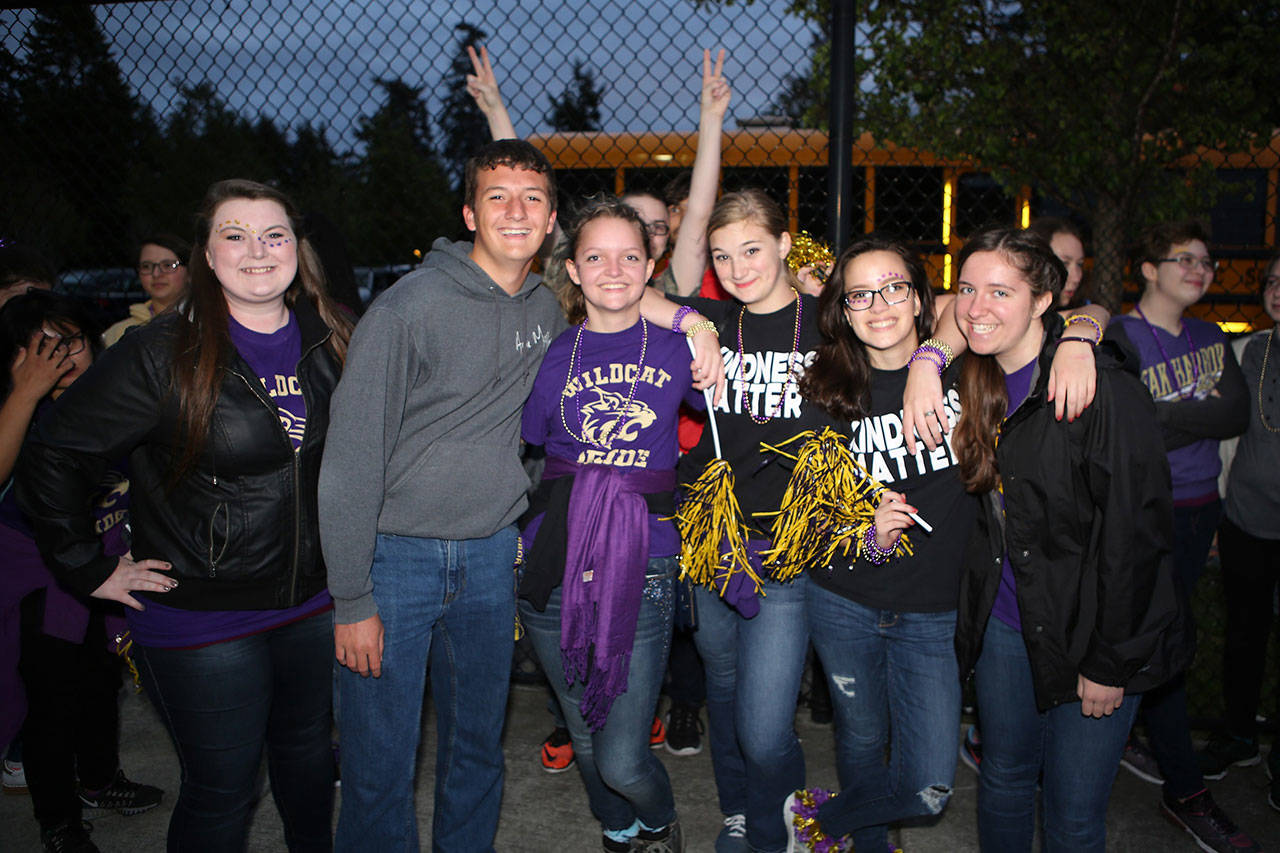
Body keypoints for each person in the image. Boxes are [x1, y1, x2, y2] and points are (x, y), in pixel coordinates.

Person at [318, 139, 723, 853]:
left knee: (476, 750)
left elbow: (621, 288)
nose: (515, 211)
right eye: (497, 197)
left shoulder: (545, 309)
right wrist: (351, 595)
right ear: (468, 213)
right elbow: (350, 458)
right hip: (398, 557)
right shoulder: (408, 308)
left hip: (491, 557)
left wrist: (695, 322)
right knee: (380, 763)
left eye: (532, 198)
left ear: (550, 221)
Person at [17, 178, 353, 852]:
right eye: (235, 235)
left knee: (310, 761)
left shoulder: (335, 337)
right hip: (203, 619)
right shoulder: (160, 351)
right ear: (206, 253)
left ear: (297, 248)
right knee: (224, 790)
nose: (257, 250)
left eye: (274, 235)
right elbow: (54, 453)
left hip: (315, 605)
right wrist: (86, 566)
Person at [951, 225, 1190, 851]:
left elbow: (1139, 538)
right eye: (967, 288)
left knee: (1073, 815)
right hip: (1006, 627)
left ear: (1041, 300)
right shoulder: (972, 382)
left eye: (1000, 292)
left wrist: (1111, 663)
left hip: (1094, 639)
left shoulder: (1100, 388)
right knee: (1003, 779)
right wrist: (926, 363)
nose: (977, 307)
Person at [518, 197, 703, 852]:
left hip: (643, 555)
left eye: (630, 256)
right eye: (595, 256)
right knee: (587, 739)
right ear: (573, 269)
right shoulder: (552, 354)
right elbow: (528, 443)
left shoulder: (681, 347)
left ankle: (658, 820)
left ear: (651, 266)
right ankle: (620, 830)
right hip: (556, 556)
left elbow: (737, 413)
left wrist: (696, 322)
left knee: (623, 758)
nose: (613, 269)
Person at [780, 237, 975, 851]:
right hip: (845, 601)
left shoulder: (964, 370)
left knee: (928, 787)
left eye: (894, 288)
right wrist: (868, 537)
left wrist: (929, 361)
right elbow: (808, 519)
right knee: (862, 741)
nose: (879, 305)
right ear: (842, 310)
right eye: (860, 295)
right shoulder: (823, 388)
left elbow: (1026, 307)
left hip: (933, 612)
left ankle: (821, 821)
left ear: (919, 298)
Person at [667, 188, 838, 853]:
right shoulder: (716, 317)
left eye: (752, 250)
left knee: (766, 729)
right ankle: (741, 811)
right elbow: (640, 297)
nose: (737, 269)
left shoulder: (831, 321)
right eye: (722, 255)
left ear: (785, 244)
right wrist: (694, 325)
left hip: (785, 553)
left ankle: (781, 824)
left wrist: (1084, 328)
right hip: (712, 540)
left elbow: (939, 313)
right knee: (725, 688)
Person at [1106, 220, 1260, 853]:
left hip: (1201, 510)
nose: (1200, 270)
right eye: (1184, 259)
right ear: (1149, 269)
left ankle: (1131, 735)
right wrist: (1193, 413)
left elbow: (1235, 413)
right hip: (1147, 512)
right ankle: (1186, 789)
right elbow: (1129, 424)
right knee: (1163, 642)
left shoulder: (1209, 336)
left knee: (1169, 634)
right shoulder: (1120, 335)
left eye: (1206, 261)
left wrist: (1168, 414)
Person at [2, 290, 163, 853]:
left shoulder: (113, 396)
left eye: (70, 341)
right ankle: (59, 822)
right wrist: (26, 393)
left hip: (107, 558)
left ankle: (99, 779)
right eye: (41, 347)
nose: (60, 357)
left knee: (101, 679)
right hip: (38, 573)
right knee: (50, 694)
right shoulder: (22, 409)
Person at [1203, 251, 1280, 810]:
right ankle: (1239, 734)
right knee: (1244, 633)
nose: (1277, 290)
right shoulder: (1249, 350)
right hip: (1247, 519)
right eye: (1273, 281)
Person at [102, 234, 191, 347]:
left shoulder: (206, 322)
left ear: (190, 272)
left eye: (168, 265)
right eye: (146, 266)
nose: (156, 274)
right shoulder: (117, 334)